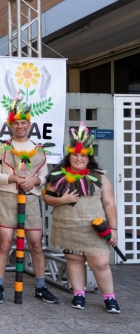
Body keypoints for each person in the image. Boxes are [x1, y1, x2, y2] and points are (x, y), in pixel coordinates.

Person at [43, 122, 120, 313]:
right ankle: (78, 294)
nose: (78, 158)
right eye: (75, 154)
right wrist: (63, 200)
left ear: (88, 158)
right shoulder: (57, 177)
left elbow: (109, 203)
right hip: (68, 226)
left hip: (94, 229)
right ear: (69, 156)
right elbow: (47, 198)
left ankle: (109, 298)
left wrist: (114, 229)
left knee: (100, 264)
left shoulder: (100, 177)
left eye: (83, 155)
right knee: (74, 260)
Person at [0, 95, 59, 304]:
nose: (20, 126)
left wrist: (35, 180)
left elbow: (46, 175)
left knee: (36, 244)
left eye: (23, 122)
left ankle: (40, 286)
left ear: (30, 124)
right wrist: (13, 178)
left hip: (31, 200)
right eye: (16, 123)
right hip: (9, 200)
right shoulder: (1, 148)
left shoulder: (38, 149)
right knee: (5, 243)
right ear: (11, 125)